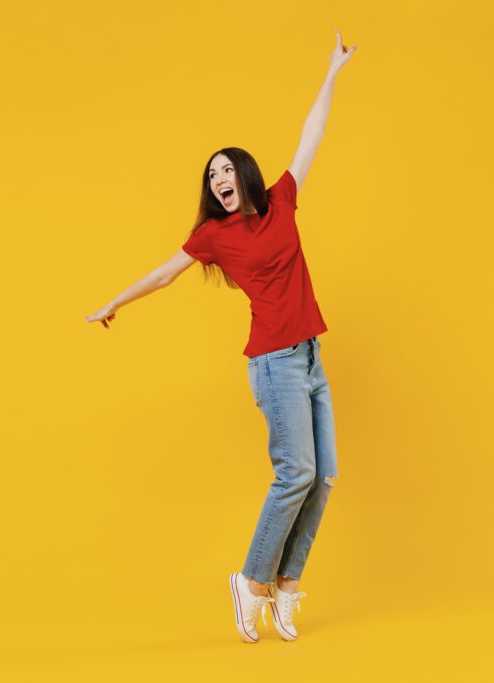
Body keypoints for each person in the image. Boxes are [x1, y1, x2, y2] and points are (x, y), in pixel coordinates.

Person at [85, 30, 357, 643]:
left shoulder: (282, 202)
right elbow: (165, 271)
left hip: (311, 356)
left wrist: (331, 73)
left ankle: (287, 587)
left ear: (247, 177)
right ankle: (251, 581)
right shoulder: (212, 237)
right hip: (273, 364)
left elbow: (310, 137)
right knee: (296, 474)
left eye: (227, 170)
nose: (218, 180)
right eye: (212, 176)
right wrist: (115, 302)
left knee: (326, 475)